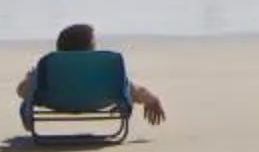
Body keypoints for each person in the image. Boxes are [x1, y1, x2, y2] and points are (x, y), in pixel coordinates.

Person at [16, 21, 167, 124]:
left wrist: (29, 78)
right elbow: (133, 90)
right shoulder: (104, 68)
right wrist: (151, 99)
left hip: (57, 102)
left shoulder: (50, 66)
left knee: (32, 90)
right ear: (90, 48)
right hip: (98, 101)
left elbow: (22, 91)